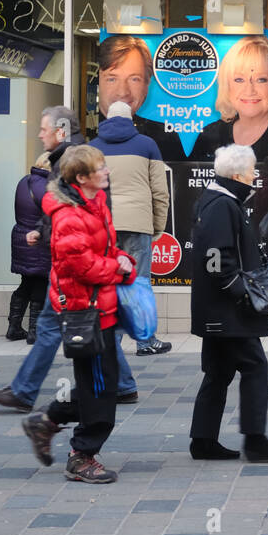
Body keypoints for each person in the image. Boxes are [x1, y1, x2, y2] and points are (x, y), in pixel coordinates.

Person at [0, 106, 141, 410]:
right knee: (67, 327)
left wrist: (110, 263)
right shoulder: (68, 159)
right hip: (72, 269)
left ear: (60, 130)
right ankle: (120, 385)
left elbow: (74, 212)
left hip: (76, 273)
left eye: (44, 129)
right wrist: (43, 234)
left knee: (77, 326)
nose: (40, 134)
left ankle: (30, 393)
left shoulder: (73, 162)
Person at [21, 146, 136, 483]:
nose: (107, 172)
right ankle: (82, 455)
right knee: (101, 389)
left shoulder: (95, 202)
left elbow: (103, 248)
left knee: (100, 383)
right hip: (85, 310)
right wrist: (119, 268)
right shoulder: (70, 216)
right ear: (82, 178)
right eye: (100, 168)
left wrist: (119, 260)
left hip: (100, 306)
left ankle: (46, 423)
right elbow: (80, 265)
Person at [188, 144, 268, 462]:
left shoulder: (218, 201)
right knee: (255, 366)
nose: (254, 176)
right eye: (251, 171)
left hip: (217, 308)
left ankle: (203, 441)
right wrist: (241, 293)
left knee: (219, 372)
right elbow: (216, 258)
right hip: (228, 310)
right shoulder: (222, 205)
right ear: (236, 175)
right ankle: (256, 441)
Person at [90, 99, 172, 356]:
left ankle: (109, 342)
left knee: (107, 284)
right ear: (131, 119)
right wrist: (157, 226)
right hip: (137, 223)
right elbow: (160, 191)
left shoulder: (91, 148)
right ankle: (145, 342)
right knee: (139, 284)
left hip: (104, 225)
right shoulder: (147, 145)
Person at [97, 34, 186, 161]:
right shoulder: (88, 146)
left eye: (134, 79)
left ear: (147, 83)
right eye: (112, 79)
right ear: (98, 81)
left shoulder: (165, 137)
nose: (123, 92)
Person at [190, 35, 268, 163]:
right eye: (239, 80)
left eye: (261, 79)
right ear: (227, 85)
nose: (249, 90)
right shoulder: (211, 134)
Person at [6, 151, 52, 343]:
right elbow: (49, 216)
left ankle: (14, 326)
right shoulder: (48, 187)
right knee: (40, 282)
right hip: (38, 240)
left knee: (26, 282)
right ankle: (34, 331)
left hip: (20, 237)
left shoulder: (23, 181)